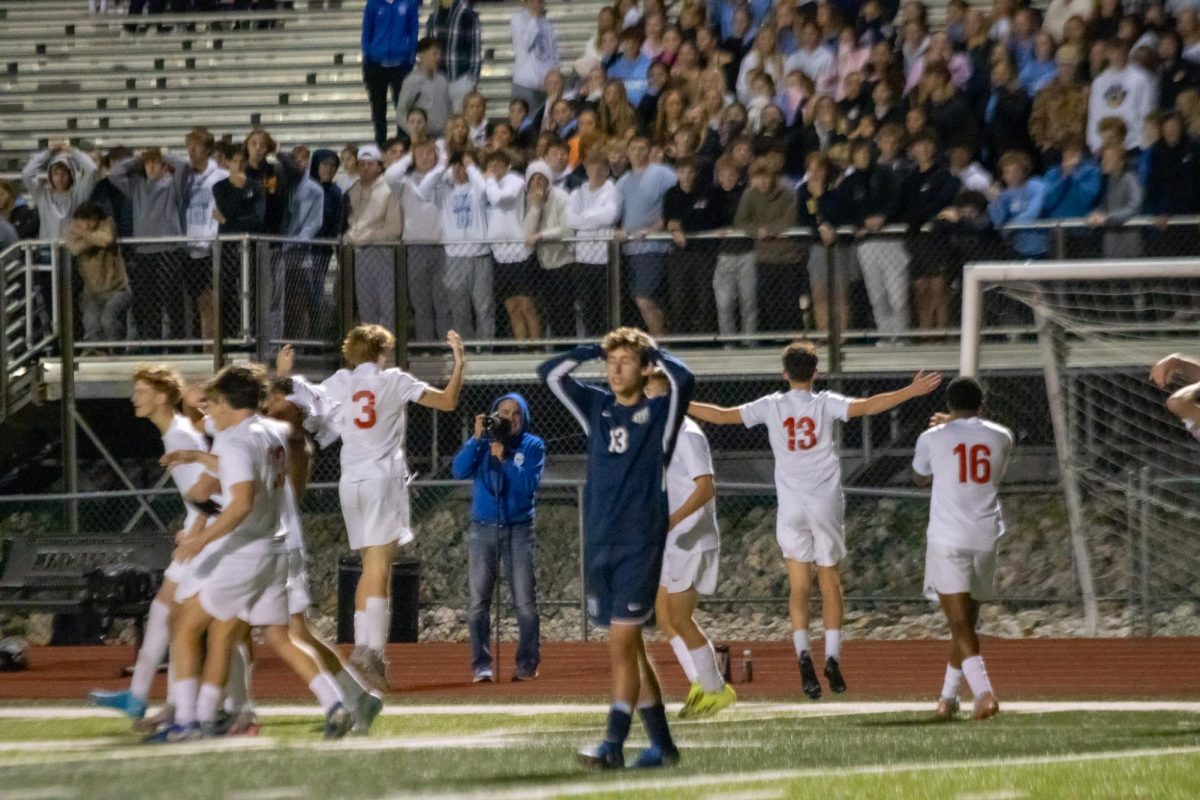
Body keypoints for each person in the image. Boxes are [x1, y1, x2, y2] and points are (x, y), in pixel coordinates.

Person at [688, 342, 942, 699]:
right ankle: (833, 657)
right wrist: (911, 391)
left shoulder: (772, 405)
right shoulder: (824, 403)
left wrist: (679, 402)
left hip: (792, 505)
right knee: (830, 580)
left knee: (798, 586)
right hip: (825, 501)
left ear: (784, 374)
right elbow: (867, 407)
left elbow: (721, 415)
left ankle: (803, 655)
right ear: (816, 373)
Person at [154, 364, 353, 742]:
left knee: (187, 629)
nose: (209, 410)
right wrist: (198, 459)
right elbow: (245, 468)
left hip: (244, 552)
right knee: (281, 638)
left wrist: (200, 540)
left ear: (228, 402)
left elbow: (241, 502)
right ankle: (335, 703)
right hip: (275, 550)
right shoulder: (271, 432)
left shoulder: (234, 439)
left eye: (213, 402)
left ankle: (192, 722)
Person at [538, 327, 695, 769]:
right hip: (599, 539)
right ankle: (663, 747)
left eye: (625, 362)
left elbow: (686, 380)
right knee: (631, 649)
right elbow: (549, 374)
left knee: (621, 644)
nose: (615, 369)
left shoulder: (661, 413)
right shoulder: (596, 406)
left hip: (639, 542)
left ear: (644, 369)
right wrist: (586, 349)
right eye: (611, 363)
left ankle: (612, 744)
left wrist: (654, 353)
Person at [320, 325, 465, 690]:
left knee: (369, 566)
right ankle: (370, 651)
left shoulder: (340, 381)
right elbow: (447, 401)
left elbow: (313, 408)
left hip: (350, 480)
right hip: (382, 479)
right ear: (382, 351)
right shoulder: (393, 380)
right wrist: (460, 364)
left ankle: (365, 649)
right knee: (379, 567)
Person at [88, 366, 211, 729]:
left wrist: (197, 532)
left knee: (189, 627)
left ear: (160, 396)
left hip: (206, 540)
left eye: (141, 391)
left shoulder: (178, 436)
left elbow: (211, 486)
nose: (134, 398)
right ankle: (140, 696)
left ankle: (186, 708)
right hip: (200, 532)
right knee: (164, 614)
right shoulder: (176, 432)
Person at [912, 377, 1013, 722]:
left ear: (948, 404)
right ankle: (947, 697)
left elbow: (920, 476)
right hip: (985, 535)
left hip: (947, 537)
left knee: (958, 622)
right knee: (967, 622)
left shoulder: (931, 438)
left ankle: (984, 694)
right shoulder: (1002, 436)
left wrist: (948, 427)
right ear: (982, 403)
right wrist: (956, 423)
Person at [643, 370, 735, 718]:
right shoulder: (661, 435)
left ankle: (715, 689)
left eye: (649, 394)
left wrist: (671, 520)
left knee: (680, 618)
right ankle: (701, 682)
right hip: (672, 539)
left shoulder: (687, 434)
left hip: (690, 539)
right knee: (664, 615)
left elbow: (705, 487)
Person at [450, 393, 546, 682]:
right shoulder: (483, 443)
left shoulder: (532, 446)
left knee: (525, 602)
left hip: (518, 530)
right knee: (478, 602)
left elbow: (528, 484)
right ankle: (482, 665)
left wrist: (504, 460)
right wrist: (476, 439)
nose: (508, 418)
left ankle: (527, 663)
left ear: (523, 417)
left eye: (515, 413)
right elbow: (458, 470)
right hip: (482, 529)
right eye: (503, 412)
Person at [616, 137, 676, 337]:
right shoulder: (623, 181)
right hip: (629, 249)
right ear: (627, 152)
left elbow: (673, 206)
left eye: (642, 148)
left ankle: (660, 342)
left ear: (650, 151)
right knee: (638, 301)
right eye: (633, 148)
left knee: (644, 299)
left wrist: (655, 229)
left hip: (652, 247)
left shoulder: (663, 174)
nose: (638, 152)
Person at [564, 148, 623, 337]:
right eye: (592, 168)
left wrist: (584, 219)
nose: (596, 172)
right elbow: (570, 220)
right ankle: (591, 344)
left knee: (606, 307)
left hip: (605, 259)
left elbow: (611, 215)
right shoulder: (577, 193)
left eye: (601, 169)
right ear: (586, 169)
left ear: (607, 170)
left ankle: (608, 345)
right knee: (587, 307)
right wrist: (594, 217)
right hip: (583, 258)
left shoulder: (612, 190)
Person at [344, 145, 404, 329]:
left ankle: (390, 353)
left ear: (379, 166)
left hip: (383, 254)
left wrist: (367, 236)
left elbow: (394, 229)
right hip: (359, 255)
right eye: (361, 164)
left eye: (370, 164)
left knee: (388, 306)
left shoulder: (389, 191)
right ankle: (369, 352)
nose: (365, 168)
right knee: (366, 307)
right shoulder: (352, 191)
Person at [65, 203, 131, 348]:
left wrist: (83, 234)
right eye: (83, 220)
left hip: (117, 288)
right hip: (91, 291)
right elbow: (74, 248)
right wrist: (93, 239)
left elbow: (106, 239)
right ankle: (97, 353)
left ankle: (116, 351)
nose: (87, 224)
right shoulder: (72, 228)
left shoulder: (108, 223)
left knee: (108, 320)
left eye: (91, 220)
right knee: (91, 325)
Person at [362, 0, 421, 147]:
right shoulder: (373, 4)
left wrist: (411, 57)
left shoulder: (408, 3)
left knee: (402, 106)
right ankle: (380, 142)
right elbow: (367, 31)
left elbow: (413, 30)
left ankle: (403, 142)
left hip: (401, 64)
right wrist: (367, 56)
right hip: (376, 63)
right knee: (378, 107)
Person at [1087, 38, 1156, 153]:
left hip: (1133, 143)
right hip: (1105, 145)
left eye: (1121, 52)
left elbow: (1146, 111)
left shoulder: (1141, 78)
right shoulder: (1099, 82)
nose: (1117, 56)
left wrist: (1143, 141)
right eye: (1113, 52)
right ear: (1107, 54)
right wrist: (1095, 143)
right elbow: (1094, 114)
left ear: (1127, 52)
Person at [426, 0, 481, 112]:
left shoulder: (467, 14)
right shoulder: (433, 17)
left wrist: (471, 81)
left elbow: (475, 51)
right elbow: (428, 49)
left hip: (459, 79)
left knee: (460, 125)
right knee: (441, 126)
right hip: (438, 80)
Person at [511, 0, 560, 111]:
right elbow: (526, 44)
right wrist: (534, 18)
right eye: (532, 1)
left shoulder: (546, 23)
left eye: (539, 1)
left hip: (545, 87)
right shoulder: (517, 19)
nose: (536, 4)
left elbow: (553, 52)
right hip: (525, 85)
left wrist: (556, 75)